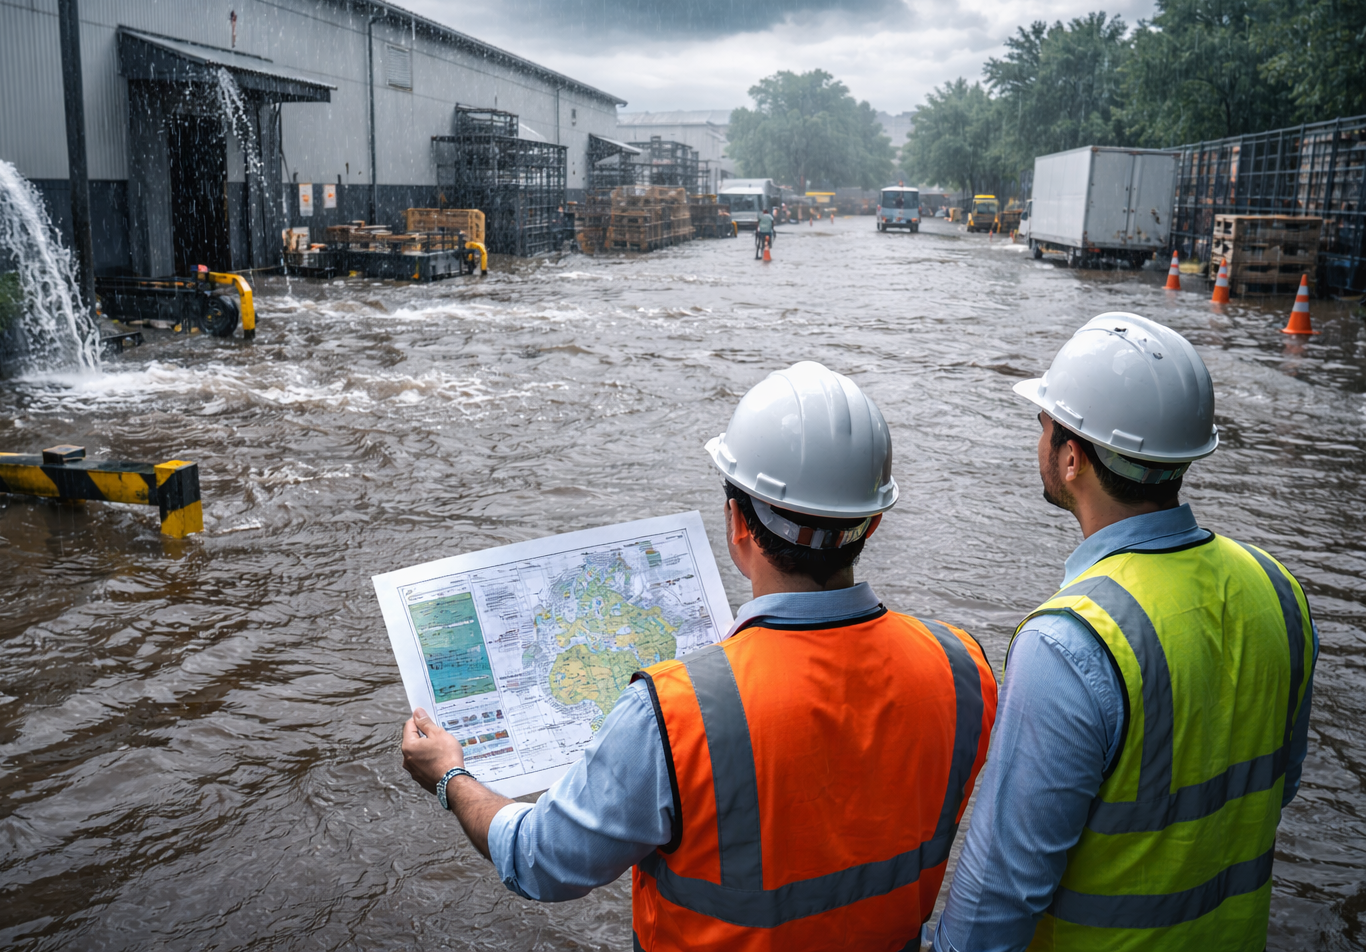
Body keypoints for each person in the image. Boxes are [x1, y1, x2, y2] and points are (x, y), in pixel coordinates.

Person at [401, 362, 998, 951]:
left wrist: (451, 777)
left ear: (738, 521)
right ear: (873, 523)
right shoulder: (963, 668)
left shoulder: (674, 712)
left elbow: (539, 861)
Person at [935, 312, 1319, 952]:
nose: (1040, 436)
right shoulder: (1277, 589)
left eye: (1045, 422)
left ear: (1071, 457)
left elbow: (998, 895)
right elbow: (1282, 785)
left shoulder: (1069, 643)